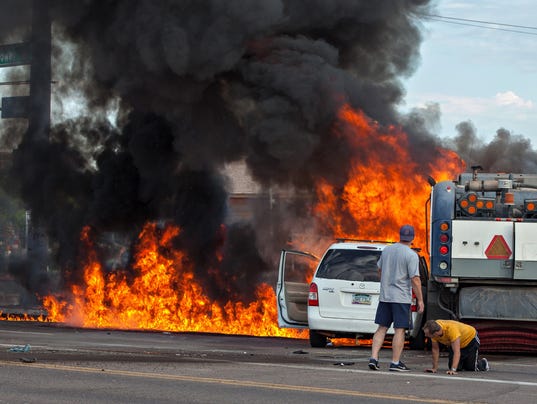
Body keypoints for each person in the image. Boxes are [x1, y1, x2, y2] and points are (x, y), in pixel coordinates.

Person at [368, 224, 424, 372]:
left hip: (385, 297)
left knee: (381, 328)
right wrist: (420, 300)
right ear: (412, 238)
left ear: (399, 235)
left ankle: (374, 358)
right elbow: (415, 279)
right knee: (399, 330)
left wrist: (385, 282)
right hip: (401, 298)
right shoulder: (411, 255)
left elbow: (379, 269)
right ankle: (395, 362)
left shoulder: (387, 250)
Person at [422, 319, 490, 375]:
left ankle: (483, 363)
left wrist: (453, 370)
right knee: (455, 366)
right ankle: (464, 362)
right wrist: (434, 368)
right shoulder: (434, 330)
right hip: (454, 343)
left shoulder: (452, 330)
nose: (425, 335)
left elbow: (457, 352)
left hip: (470, 339)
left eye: (427, 334)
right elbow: (435, 350)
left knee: (472, 368)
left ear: (435, 333)